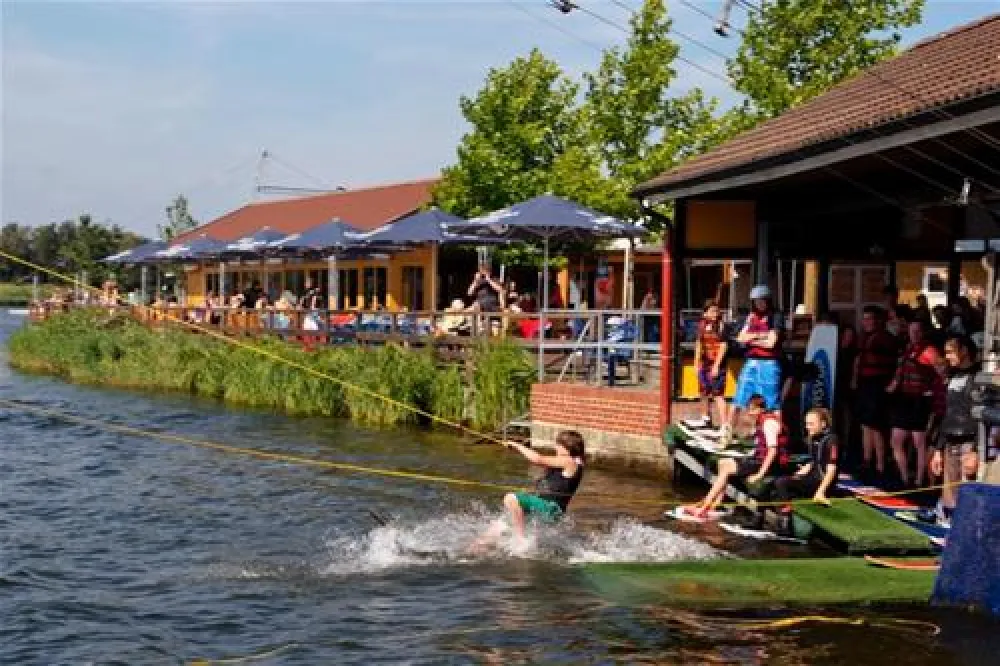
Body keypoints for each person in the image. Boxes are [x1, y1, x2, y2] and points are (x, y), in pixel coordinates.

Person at [679, 394, 790, 519]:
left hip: (772, 465)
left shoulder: (769, 423)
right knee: (722, 462)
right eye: (748, 409)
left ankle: (705, 505)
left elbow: (772, 452)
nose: (749, 412)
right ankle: (717, 503)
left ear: (761, 409)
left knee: (726, 468)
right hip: (759, 459)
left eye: (753, 409)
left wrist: (760, 474)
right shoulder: (761, 421)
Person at [470, 431, 585, 549]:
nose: (555, 447)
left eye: (558, 445)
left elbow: (537, 459)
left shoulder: (570, 462)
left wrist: (517, 445)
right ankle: (474, 550)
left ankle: (520, 541)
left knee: (511, 498)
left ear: (567, 448)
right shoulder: (563, 463)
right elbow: (549, 484)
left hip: (551, 508)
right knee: (498, 525)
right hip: (543, 506)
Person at [885, 319, 943, 488]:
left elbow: (942, 370)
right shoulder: (907, 348)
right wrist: (892, 386)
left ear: (923, 332)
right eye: (911, 330)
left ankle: (919, 479)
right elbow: (900, 371)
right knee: (896, 441)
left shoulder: (929, 350)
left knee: (919, 442)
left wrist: (933, 389)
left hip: (919, 400)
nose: (914, 334)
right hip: (903, 398)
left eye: (917, 331)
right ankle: (904, 477)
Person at [930, 335, 981, 524]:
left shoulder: (978, 376)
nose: (947, 357)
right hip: (950, 441)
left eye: (950, 352)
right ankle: (945, 526)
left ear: (964, 351)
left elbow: (980, 416)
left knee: (967, 495)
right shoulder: (952, 376)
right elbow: (948, 414)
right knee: (949, 495)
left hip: (969, 443)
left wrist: (976, 450)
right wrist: (937, 450)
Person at [723, 285, 782, 446]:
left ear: (768, 300)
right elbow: (741, 338)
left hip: (769, 363)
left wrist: (752, 340)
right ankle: (726, 434)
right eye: (756, 301)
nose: (759, 304)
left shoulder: (775, 317)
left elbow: (771, 343)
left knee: (771, 402)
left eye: (762, 301)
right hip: (752, 361)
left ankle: (775, 438)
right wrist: (759, 336)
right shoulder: (750, 316)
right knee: (739, 397)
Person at [853, 305, 900, 483]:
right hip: (865, 383)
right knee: (865, 425)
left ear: (879, 321)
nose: (866, 322)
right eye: (864, 319)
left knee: (876, 426)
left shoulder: (885, 339)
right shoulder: (865, 337)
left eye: (870, 319)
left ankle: (880, 465)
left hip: (878, 384)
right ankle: (867, 460)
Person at [771, 407, 839, 506]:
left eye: (811, 424)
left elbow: (831, 470)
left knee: (781, 483)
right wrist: (799, 474)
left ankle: (786, 517)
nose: (807, 427)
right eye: (807, 424)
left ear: (823, 424)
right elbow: (815, 462)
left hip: (821, 482)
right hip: (811, 477)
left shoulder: (831, 440)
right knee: (773, 483)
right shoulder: (813, 438)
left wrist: (820, 492)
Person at [693, 299, 729, 428]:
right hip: (705, 363)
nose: (715, 313)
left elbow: (723, 346)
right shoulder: (702, 325)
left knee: (718, 394)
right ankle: (705, 418)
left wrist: (716, 366)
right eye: (712, 311)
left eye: (716, 310)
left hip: (716, 363)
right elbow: (699, 344)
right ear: (705, 313)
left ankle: (725, 425)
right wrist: (696, 363)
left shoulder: (721, 325)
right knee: (703, 392)